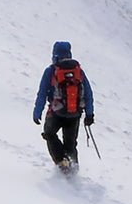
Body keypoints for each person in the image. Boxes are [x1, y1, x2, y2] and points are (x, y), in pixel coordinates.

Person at [32, 40, 94, 170]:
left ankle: (61, 162)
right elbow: (88, 93)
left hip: (57, 112)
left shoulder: (51, 71)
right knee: (70, 144)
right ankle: (73, 168)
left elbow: (42, 93)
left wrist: (37, 112)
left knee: (49, 133)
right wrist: (89, 114)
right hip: (75, 113)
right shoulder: (78, 71)